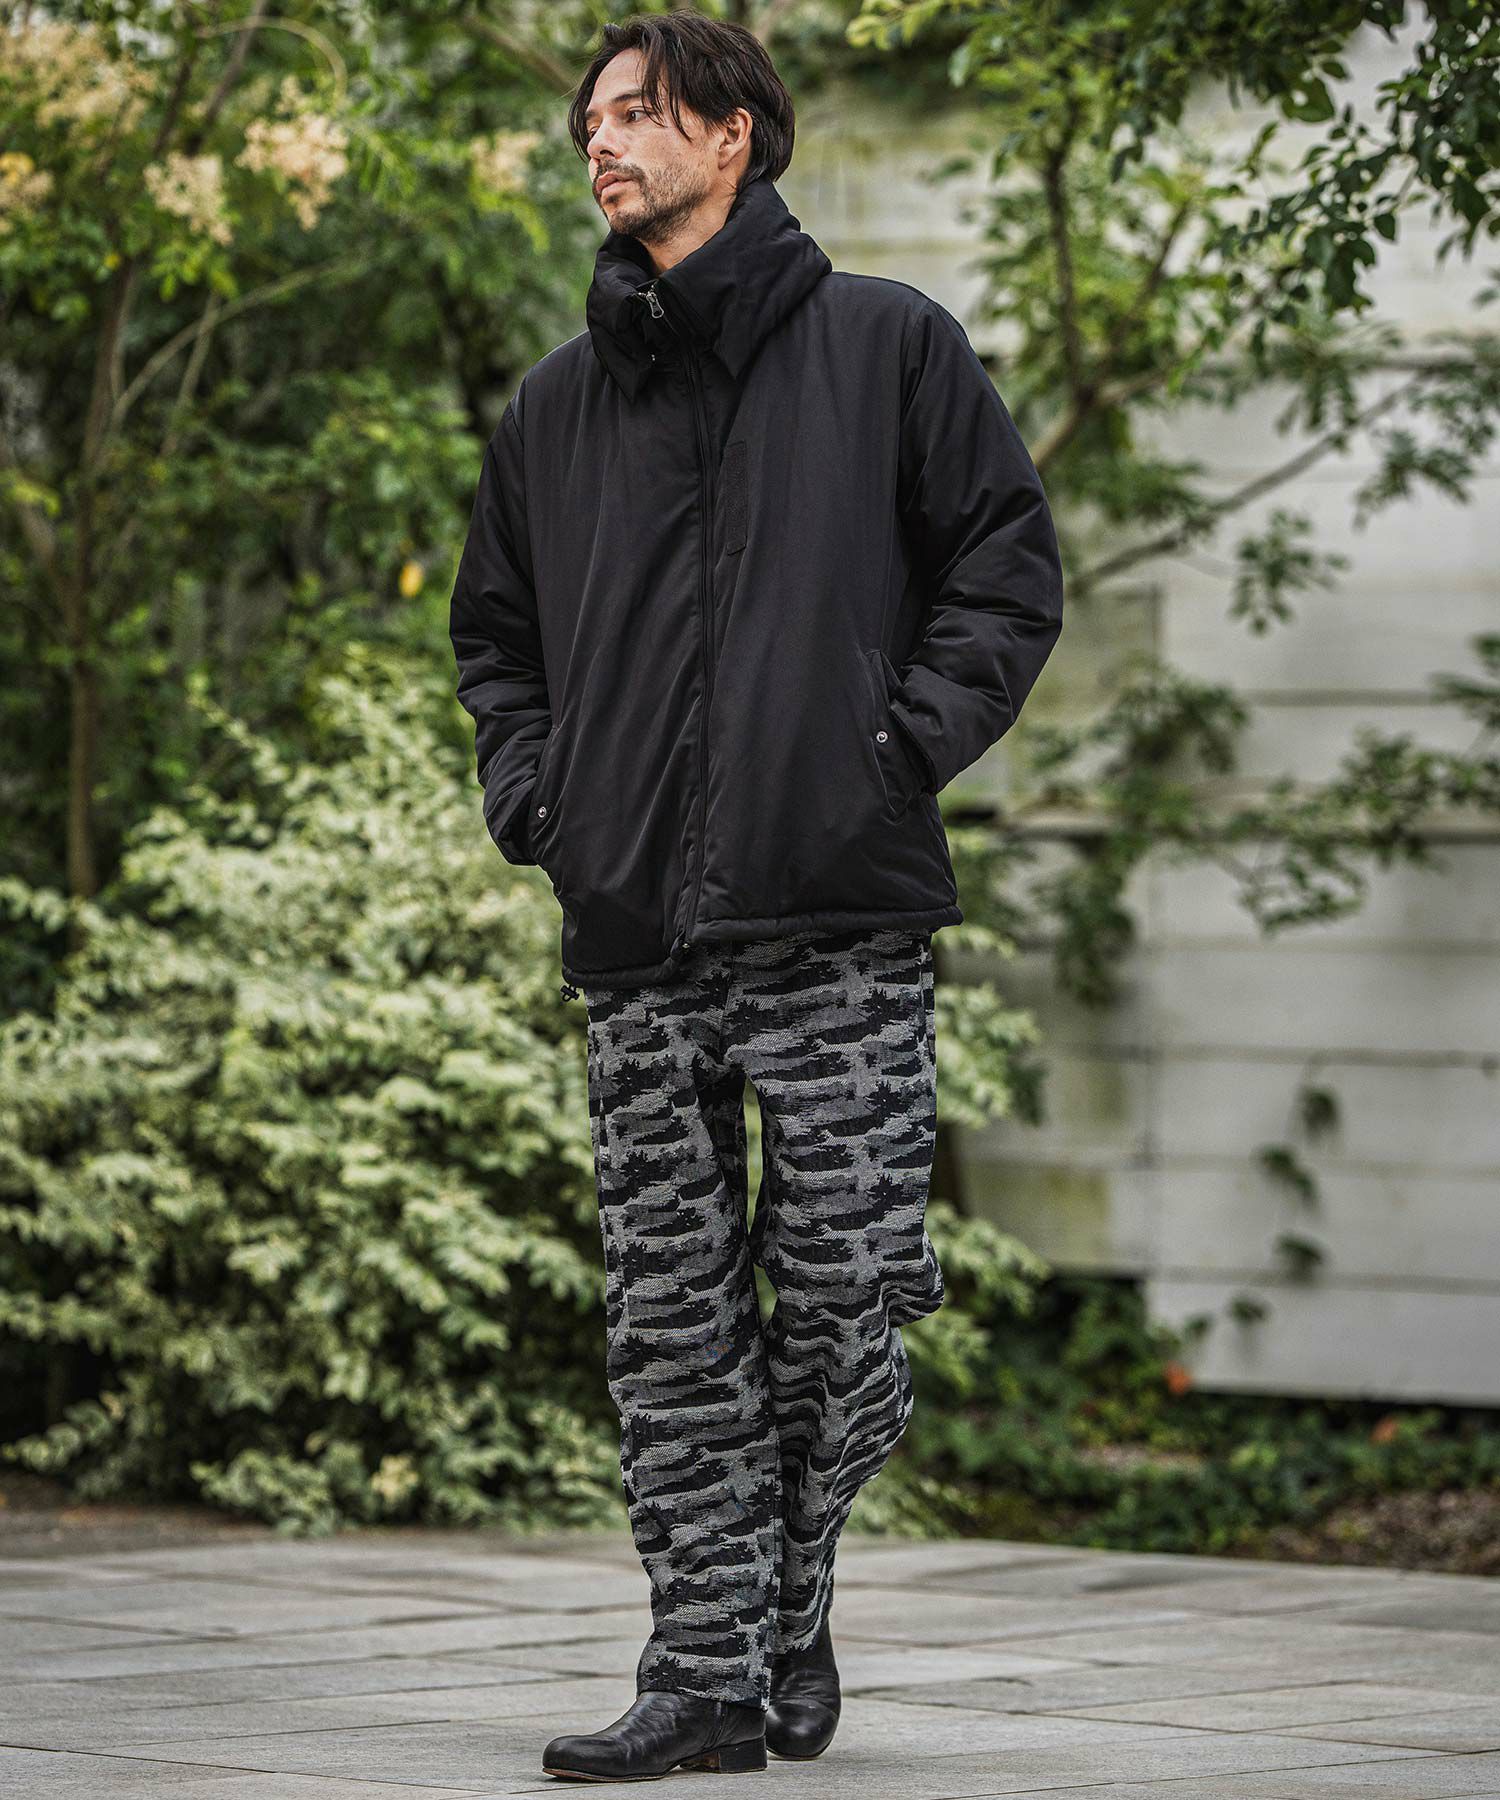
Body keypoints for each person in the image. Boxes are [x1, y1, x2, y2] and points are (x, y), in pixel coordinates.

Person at [448, 9, 1064, 1783]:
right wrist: (541, 798)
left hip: (840, 916)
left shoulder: (888, 347)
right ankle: (706, 1673)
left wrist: (890, 751)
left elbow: (1005, 573)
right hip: (637, 931)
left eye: (640, 113)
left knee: (851, 1285)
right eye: (592, 119)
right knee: (673, 1323)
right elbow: (497, 640)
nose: (602, 141)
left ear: (734, 137)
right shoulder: (555, 408)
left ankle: (788, 1587)